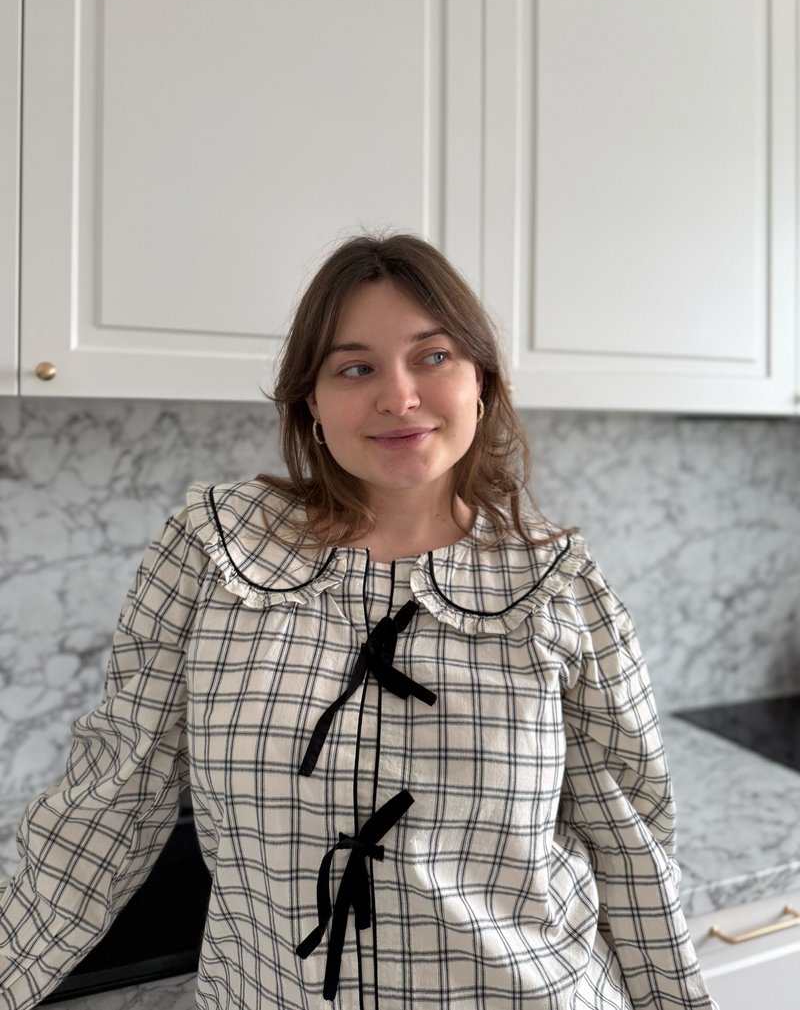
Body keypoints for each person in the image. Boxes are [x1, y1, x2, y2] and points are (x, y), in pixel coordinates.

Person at [0, 232, 716, 1009]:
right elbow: (109, 804)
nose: (399, 396)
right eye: (355, 367)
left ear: (480, 380)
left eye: (433, 356)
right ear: (311, 401)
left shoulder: (559, 586)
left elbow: (631, 845)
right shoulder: (214, 549)